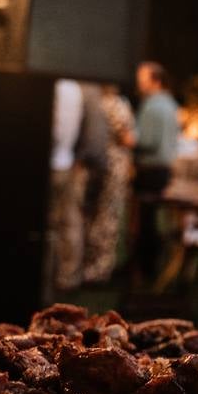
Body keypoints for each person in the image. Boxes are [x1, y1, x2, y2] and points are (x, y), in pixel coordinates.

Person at [81, 84, 135, 285]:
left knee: (93, 215)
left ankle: (90, 266)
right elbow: (128, 139)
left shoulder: (95, 102)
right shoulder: (116, 104)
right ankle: (100, 269)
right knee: (108, 216)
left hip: (96, 164)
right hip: (114, 166)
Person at [130, 62, 179, 281]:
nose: (139, 83)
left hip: (149, 169)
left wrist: (128, 139)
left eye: (143, 78)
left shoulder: (151, 106)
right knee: (153, 219)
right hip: (164, 170)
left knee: (145, 220)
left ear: (155, 80)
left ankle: (145, 267)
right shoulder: (170, 104)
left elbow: (147, 140)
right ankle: (151, 265)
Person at [48, 79, 86, 291]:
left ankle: (50, 276)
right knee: (69, 221)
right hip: (67, 160)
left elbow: (55, 130)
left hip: (54, 162)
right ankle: (68, 276)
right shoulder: (75, 88)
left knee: (53, 222)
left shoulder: (58, 87)